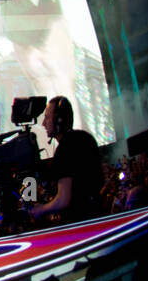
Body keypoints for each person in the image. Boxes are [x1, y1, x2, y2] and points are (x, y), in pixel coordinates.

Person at [29, 96, 103, 225]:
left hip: (80, 224)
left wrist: (41, 209)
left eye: (47, 117)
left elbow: (63, 200)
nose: (43, 123)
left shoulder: (66, 147)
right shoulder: (85, 138)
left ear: (59, 120)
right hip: (98, 217)